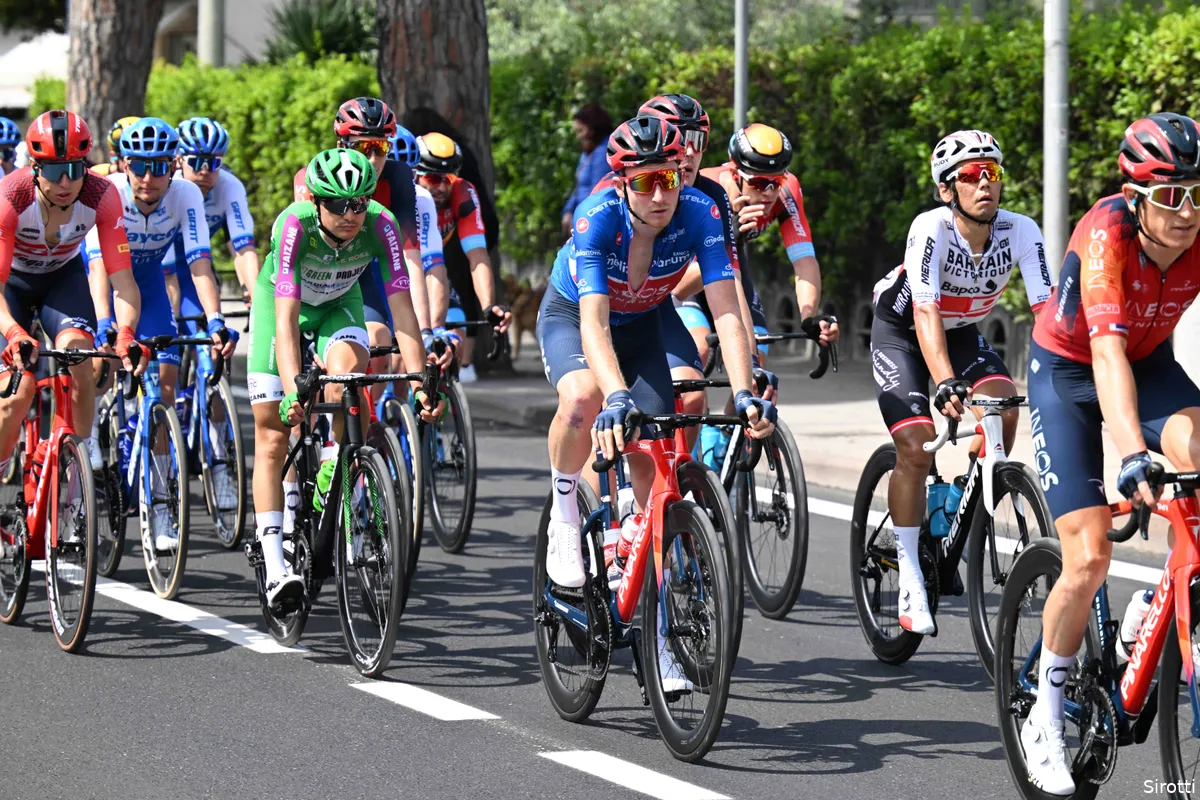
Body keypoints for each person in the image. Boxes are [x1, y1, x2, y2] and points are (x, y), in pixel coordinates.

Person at [537, 115, 775, 693]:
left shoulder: (700, 212)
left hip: (644, 319)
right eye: (646, 183)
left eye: (669, 178)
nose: (663, 193)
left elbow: (725, 308)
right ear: (621, 184)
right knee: (584, 397)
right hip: (577, 318)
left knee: (656, 452)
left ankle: (659, 629)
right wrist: (616, 395)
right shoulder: (597, 221)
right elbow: (593, 324)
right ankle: (565, 509)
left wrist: (744, 391)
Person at [1019, 113, 1200, 796]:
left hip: (1150, 365)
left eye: (1197, 193)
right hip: (1069, 371)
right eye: (1169, 196)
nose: (1187, 212)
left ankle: (1162, 602)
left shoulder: (1196, 229)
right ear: (1134, 198)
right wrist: (1131, 452)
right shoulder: (1105, 236)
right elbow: (1103, 351)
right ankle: (1045, 713)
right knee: (1090, 554)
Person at [869, 129, 1053, 636]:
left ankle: (961, 509)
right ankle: (908, 570)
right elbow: (925, 307)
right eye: (970, 175)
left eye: (992, 173)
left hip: (962, 332)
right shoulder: (931, 227)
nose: (984, 183)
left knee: (1003, 412)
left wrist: (1067, 373)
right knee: (915, 445)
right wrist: (946, 381)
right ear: (947, 189)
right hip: (904, 332)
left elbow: (1047, 312)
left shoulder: (1021, 230)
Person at [247, 148, 438, 611]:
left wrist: (419, 382)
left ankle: (341, 468)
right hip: (283, 310)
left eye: (359, 203)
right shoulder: (294, 226)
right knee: (273, 435)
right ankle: (275, 566)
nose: (351, 215)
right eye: (337, 205)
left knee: (350, 377)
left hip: (338, 304)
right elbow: (288, 322)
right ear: (316, 201)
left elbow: (403, 313)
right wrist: (294, 388)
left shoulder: (381, 223)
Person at [85, 117, 234, 550]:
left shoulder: (186, 193)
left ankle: (162, 506)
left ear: (173, 166)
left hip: (146, 285)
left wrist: (215, 319)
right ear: (124, 165)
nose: (148, 178)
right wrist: (103, 325)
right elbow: (98, 268)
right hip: (99, 283)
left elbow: (200, 262)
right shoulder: (108, 194)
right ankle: (92, 430)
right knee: (102, 363)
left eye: (158, 167)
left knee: (165, 391)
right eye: (139, 166)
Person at [0, 110, 147, 485]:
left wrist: (127, 333)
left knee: (81, 357)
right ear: (34, 168)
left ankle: (76, 471)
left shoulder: (102, 194)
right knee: (18, 391)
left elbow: (123, 281)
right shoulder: (11, 196)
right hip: (10, 287)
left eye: (75, 169)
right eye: (52, 172)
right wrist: (15, 334)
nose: (66, 182)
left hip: (61, 279)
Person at [294, 98, 432, 379]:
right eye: (362, 147)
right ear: (341, 145)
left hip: (364, 270)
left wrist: (426, 330)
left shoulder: (399, 178)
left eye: (380, 148)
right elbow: (300, 252)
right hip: (314, 274)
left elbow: (411, 259)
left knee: (378, 340)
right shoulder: (315, 176)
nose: (371, 159)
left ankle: (372, 419)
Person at [704, 123, 839, 352]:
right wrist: (726, 238)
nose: (768, 192)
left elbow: (804, 260)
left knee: (758, 358)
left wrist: (809, 318)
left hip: (734, 266)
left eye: (776, 182)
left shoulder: (786, 194)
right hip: (690, 273)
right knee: (699, 350)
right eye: (758, 183)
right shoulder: (709, 187)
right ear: (737, 176)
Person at [404, 108, 502, 379]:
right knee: (401, 356)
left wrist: (488, 306)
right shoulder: (407, 197)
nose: (441, 187)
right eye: (433, 178)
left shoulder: (462, 192)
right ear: (415, 175)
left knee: (453, 330)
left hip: (433, 269)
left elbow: (478, 256)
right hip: (399, 272)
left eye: (447, 179)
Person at [166, 117, 260, 311]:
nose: (205, 171)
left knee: (202, 334)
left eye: (213, 163)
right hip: (160, 268)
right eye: (196, 162)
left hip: (197, 267)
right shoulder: (166, 188)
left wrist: (258, 299)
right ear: (179, 160)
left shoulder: (230, 186)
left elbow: (243, 250)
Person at [561, 103, 613, 237]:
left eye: (581, 131)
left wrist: (584, 219)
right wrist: (568, 210)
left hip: (593, 221)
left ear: (592, 129)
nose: (578, 136)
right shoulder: (588, 153)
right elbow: (579, 186)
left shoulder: (603, 154)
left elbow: (598, 193)